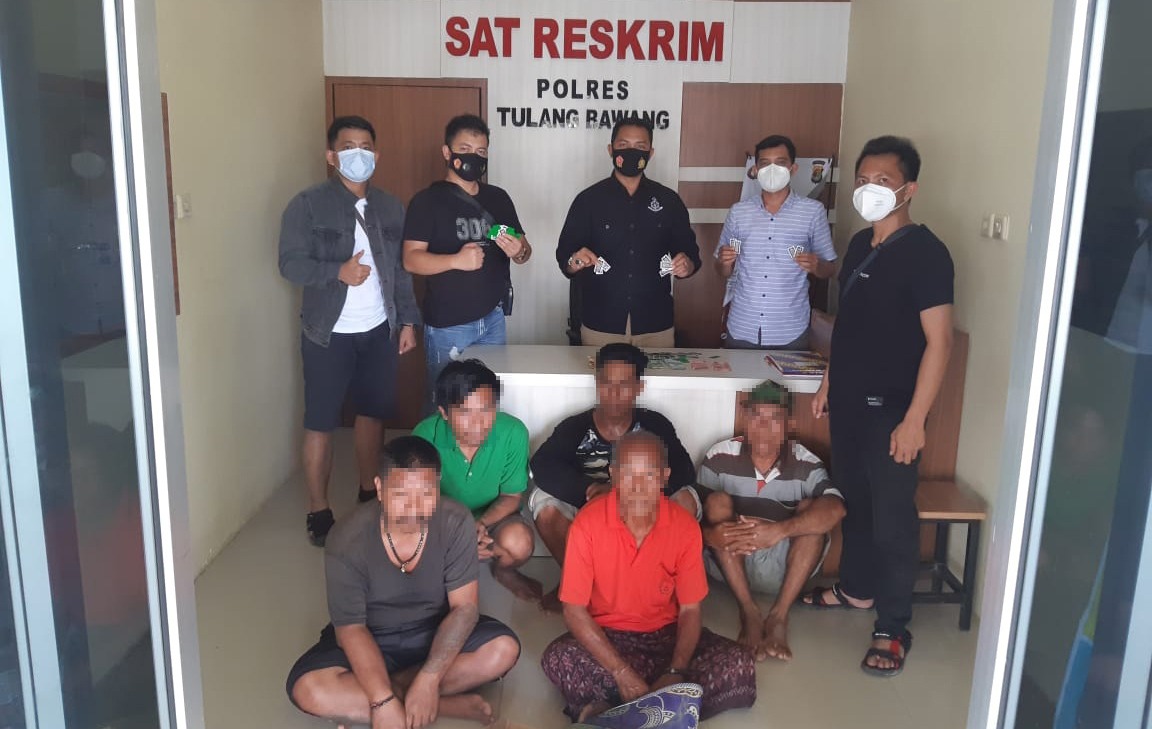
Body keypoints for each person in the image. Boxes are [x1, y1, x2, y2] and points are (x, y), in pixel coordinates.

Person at [805, 136, 954, 677]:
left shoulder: (927, 253)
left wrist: (915, 420)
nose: (869, 189)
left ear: (909, 189)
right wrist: (829, 381)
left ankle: (893, 626)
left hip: (893, 412)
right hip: (848, 404)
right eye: (863, 180)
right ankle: (856, 590)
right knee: (858, 505)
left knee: (892, 519)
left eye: (883, 181)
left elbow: (940, 342)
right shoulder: (859, 246)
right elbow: (846, 326)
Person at [286, 436, 521, 729]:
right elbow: (351, 629)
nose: (414, 508)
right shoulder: (347, 537)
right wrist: (381, 699)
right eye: (401, 495)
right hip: (371, 637)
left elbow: (464, 609)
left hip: (435, 631)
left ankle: (386, 702)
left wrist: (430, 678)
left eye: (426, 494)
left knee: (502, 649)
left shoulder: (455, 520)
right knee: (309, 689)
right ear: (380, 488)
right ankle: (440, 705)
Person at [540, 431, 756, 722]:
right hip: (607, 637)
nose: (639, 487)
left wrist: (676, 670)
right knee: (559, 658)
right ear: (614, 475)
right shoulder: (586, 525)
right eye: (629, 474)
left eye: (650, 475)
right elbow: (574, 610)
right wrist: (620, 672)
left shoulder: (684, 526)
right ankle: (667, 709)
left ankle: (615, 711)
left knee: (739, 663)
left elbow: (690, 610)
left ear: (665, 476)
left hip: (666, 637)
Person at [279, 115, 420, 547]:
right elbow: (289, 263)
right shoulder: (306, 205)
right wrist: (336, 271)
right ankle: (318, 508)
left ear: (376, 155)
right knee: (320, 421)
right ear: (331, 155)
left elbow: (401, 271)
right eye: (348, 147)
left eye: (365, 147)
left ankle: (367, 492)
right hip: (327, 331)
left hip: (379, 327)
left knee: (372, 413)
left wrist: (408, 320)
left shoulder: (391, 207)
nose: (358, 155)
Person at [529, 343, 703, 611]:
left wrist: (624, 492)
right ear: (597, 384)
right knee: (546, 507)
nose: (614, 393)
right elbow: (542, 465)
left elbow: (683, 470)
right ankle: (581, 585)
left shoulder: (654, 424)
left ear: (639, 388)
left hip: (646, 502)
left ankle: (658, 584)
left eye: (624, 384)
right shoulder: (575, 426)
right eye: (607, 383)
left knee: (685, 501)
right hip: (589, 506)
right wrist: (589, 489)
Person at [698, 381, 845, 662]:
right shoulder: (719, 456)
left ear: (789, 424)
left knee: (812, 511)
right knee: (715, 502)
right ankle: (748, 611)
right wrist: (709, 535)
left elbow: (836, 509)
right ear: (746, 419)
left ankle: (778, 616)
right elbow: (689, 518)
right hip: (731, 565)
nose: (763, 427)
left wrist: (778, 531)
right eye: (756, 416)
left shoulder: (806, 462)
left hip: (787, 567)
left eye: (774, 418)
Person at [402, 114, 532, 403]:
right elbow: (411, 259)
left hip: (493, 318)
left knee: (487, 399)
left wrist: (519, 251)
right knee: (446, 403)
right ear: (447, 152)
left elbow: (524, 250)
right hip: (449, 325)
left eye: (481, 151)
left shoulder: (498, 199)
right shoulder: (427, 202)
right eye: (465, 149)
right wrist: (455, 261)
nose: (474, 157)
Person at [558, 116, 701, 347]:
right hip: (601, 322)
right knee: (602, 373)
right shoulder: (588, 201)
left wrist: (687, 265)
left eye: (640, 146)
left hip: (655, 323)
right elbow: (564, 256)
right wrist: (575, 261)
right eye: (623, 145)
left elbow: (691, 255)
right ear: (611, 149)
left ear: (650, 153)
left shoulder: (669, 201)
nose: (632, 152)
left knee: (657, 373)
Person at [413, 359, 541, 602]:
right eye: (464, 412)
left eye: (486, 409)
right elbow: (421, 502)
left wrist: (480, 524)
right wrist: (460, 533)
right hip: (442, 520)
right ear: (444, 413)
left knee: (519, 542)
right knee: (415, 548)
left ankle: (503, 571)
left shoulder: (513, 432)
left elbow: (511, 496)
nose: (478, 423)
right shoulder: (424, 436)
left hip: (491, 520)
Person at [715, 135, 837, 350]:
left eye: (780, 163)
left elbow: (829, 269)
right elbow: (722, 270)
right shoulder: (739, 212)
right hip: (742, 326)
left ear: (793, 168)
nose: (772, 170)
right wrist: (724, 263)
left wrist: (817, 266)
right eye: (765, 163)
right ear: (755, 170)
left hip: (790, 329)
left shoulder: (812, 212)